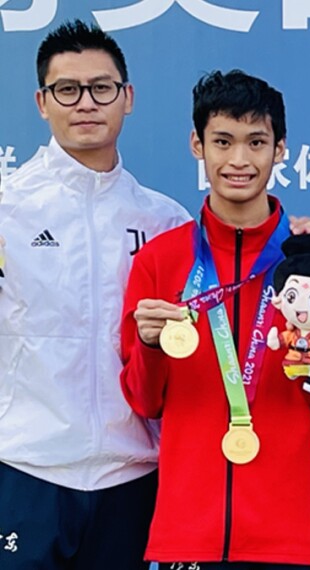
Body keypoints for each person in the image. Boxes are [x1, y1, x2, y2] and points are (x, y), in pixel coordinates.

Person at [120, 69, 310, 569]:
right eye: (222, 141)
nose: (238, 160)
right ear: (197, 145)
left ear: (280, 149)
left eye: (256, 142)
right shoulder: (160, 261)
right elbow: (145, 401)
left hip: (285, 532)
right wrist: (149, 345)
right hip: (186, 531)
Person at [0, 20, 191, 570]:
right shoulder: (9, 207)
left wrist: (294, 250)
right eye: (67, 90)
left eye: (101, 88)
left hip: (131, 474)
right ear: (42, 102)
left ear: (127, 98)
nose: (86, 103)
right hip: (25, 468)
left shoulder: (163, 220)